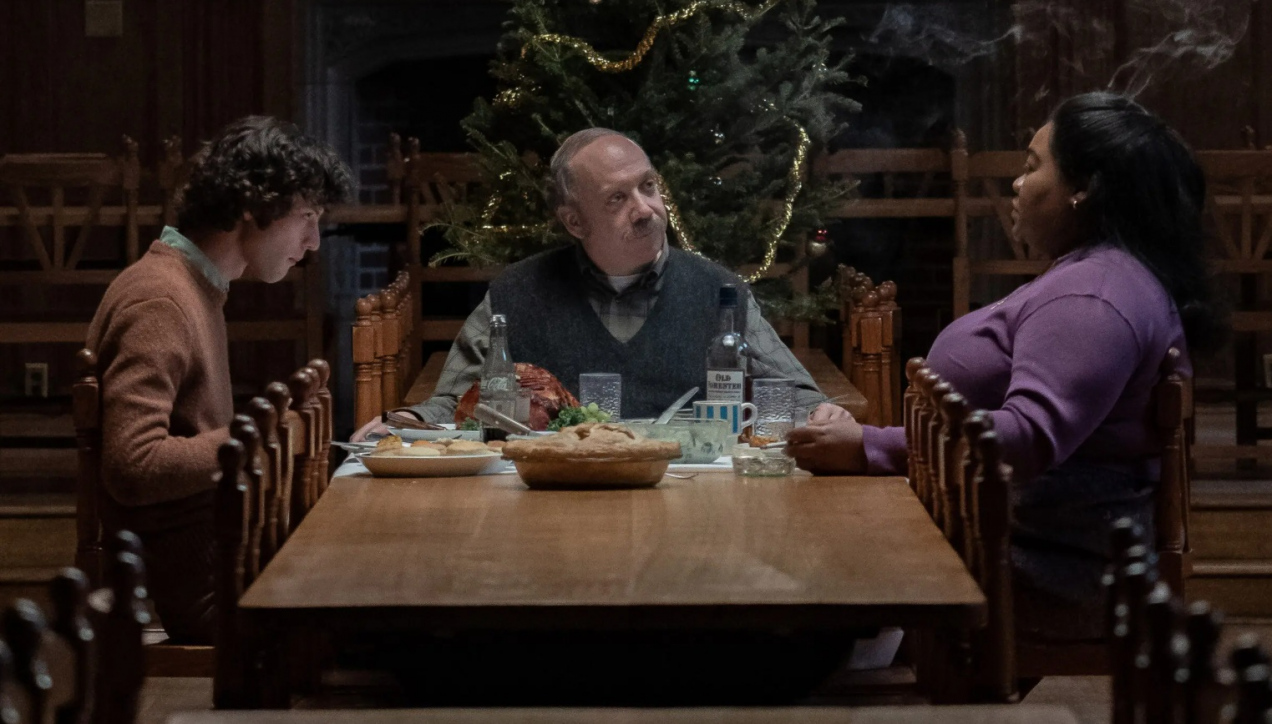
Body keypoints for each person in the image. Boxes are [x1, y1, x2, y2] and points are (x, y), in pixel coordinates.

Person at [787, 92, 1226, 640]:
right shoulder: (1094, 275)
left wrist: (869, 446)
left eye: (1033, 166)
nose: (1018, 184)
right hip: (1008, 535)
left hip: (1040, 564)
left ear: (1083, 189)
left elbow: (1027, 436)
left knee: (796, 555)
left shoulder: (1093, 294)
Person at [353, 128, 846, 440]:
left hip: (691, 499)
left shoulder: (719, 290)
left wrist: (825, 414)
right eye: (617, 199)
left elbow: (799, 394)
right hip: (556, 503)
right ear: (574, 221)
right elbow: (453, 402)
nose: (646, 209)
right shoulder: (517, 292)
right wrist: (410, 422)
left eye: (648, 187)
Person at [86, 116, 352, 644]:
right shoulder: (160, 299)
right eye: (306, 216)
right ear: (254, 206)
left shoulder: (193, 287)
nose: (314, 242)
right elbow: (132, 465)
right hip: (208, 595)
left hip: (227, 561)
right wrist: (262, 436)